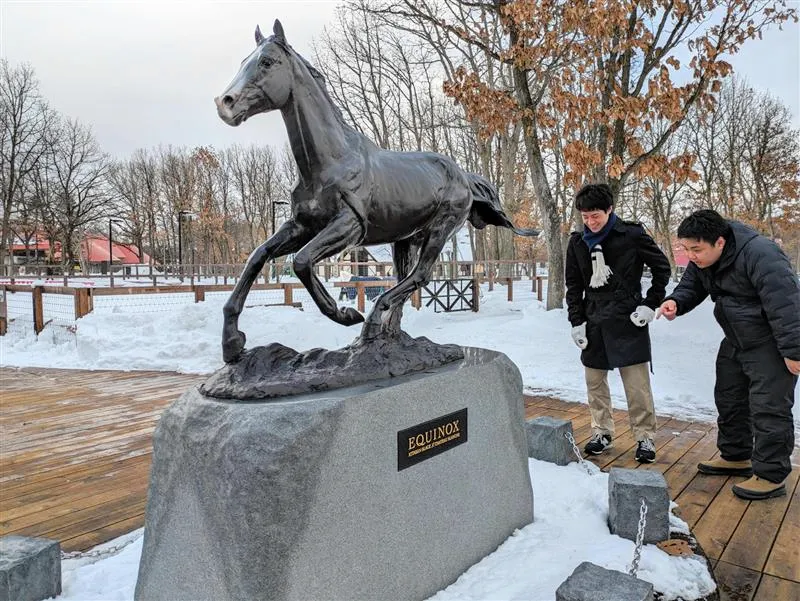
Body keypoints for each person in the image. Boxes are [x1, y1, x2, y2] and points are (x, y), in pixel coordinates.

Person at [658, 209, 800, 500]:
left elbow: (787, 304)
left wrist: (794, 351)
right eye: (686, 249)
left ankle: (771, 475)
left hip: (769, 342)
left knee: (769, 407)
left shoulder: (761, 254)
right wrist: (675, 301)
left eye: (696, 250)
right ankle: (736, 456)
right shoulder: (704, 257)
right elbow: (692, 284)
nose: (691, 256)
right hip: (736, 339)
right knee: (730, 397)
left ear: (720, 243)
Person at [565, 183, 671, 463]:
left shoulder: (632, 235)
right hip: (594, 318)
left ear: (610, 210)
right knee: (594, 381)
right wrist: (576, 321)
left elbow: (663, 268)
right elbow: (573, 286)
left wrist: (650, 304)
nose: (590, 222)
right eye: (585, 217)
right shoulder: (577, 243)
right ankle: (601, 431)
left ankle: (645, 437)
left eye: (596, 216)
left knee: (636, 384)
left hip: (628, 317)